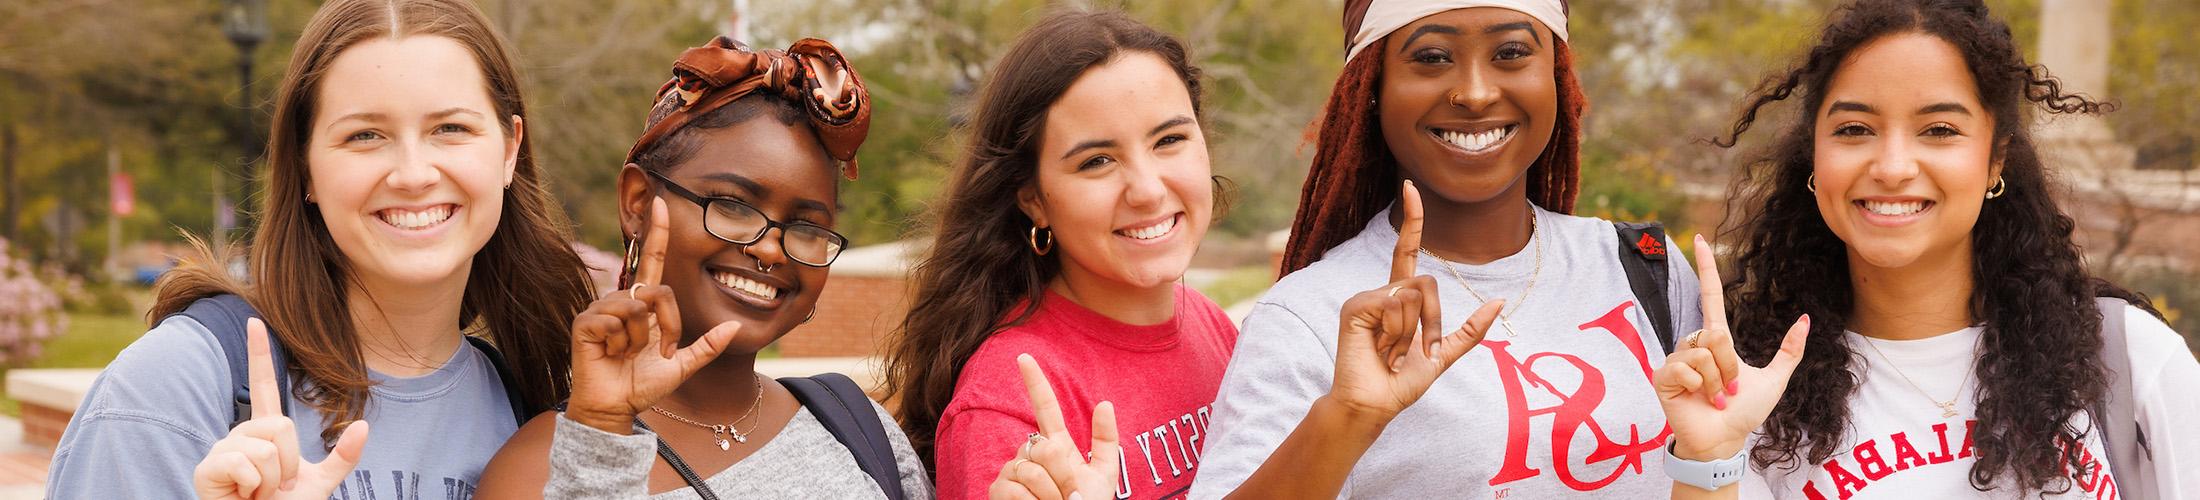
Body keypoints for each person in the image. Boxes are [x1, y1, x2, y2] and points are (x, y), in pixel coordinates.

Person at [45, 0, 594, 497]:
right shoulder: (176, 386)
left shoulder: (528, 407)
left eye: (450, 128)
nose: (412, 173)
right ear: (305, 165)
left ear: (509, 150)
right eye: (365, 135)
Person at [1655, 1, 2200, 498]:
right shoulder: (1753, 387)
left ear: (1995, 161)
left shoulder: (2122, 357)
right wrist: (1710, 456)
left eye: (1939, 129)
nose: (1892, 167)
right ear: (1815, 160)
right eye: (1854, 129)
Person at [1190, 0, 1708, 497]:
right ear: (1372, 86)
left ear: (1558, 77)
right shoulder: (1309, 316)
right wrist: (1348, 417)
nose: (1477, 93)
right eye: (1432, 57)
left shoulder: (1643, 266)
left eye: (1510, 53)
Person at [475, 35, 934, 499]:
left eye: (806, 227)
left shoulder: (856, 430)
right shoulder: (539, 471)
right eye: (733, 207)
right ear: (638, 203)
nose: (772, 251)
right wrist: (602, 439)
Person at [878, 10, 1239, 500]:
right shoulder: (1007, 407)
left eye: (1169, 139)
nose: (1148, 191)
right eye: (1097, 161)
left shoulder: (1213, 327)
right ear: (1034, 198)